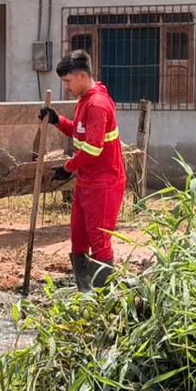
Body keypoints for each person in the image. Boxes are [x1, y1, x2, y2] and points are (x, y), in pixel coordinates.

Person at [39, 51, 127, 291]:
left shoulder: (97, 104)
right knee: (79, 238)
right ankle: (84, 293)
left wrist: (67, 167)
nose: (66, 87)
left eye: (67, 81)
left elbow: (92, 148)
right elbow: (80, 134)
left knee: (99, 240)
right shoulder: (85, 101)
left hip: (104, 183)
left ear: (81, 76)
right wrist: (57, 120)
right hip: (87, 180)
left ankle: (102, 297)